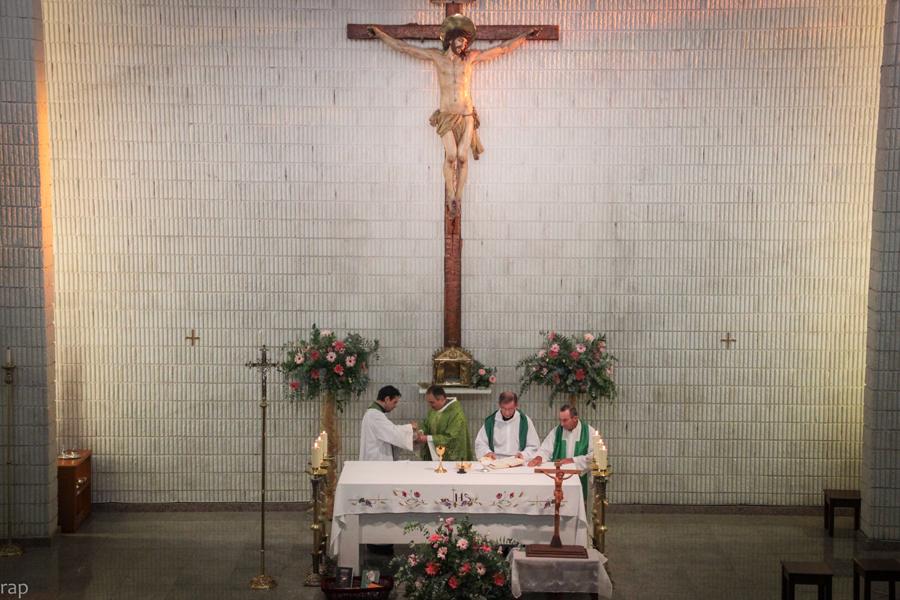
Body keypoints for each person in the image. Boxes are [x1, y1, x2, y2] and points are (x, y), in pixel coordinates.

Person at [369, 16, 539, 215]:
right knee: (451, 156)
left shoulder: (471, 58)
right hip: (447, 115)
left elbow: (501, 49)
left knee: (462, 157)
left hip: (466, 114)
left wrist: (524, 36)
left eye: (466, 42)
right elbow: (404, 48)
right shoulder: (436, 57)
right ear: (451, 40)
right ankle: (450, 195)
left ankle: (458, 197)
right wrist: (380, 34)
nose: (464, 45)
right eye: (461, 41)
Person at [528, 404, 599, 500]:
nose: (561, 424)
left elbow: (594, 456)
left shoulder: (589, 432)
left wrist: (573, 460)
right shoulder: (557, 431)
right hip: (559, 479)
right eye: (560, 420)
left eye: (565, 420)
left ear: (575, 418)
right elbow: (545, 450)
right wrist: (539, 457)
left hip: (582, 479)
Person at [474, 391, 539, 460]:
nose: (507, 413)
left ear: (516, 405)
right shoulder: (490, 422)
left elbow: (534, 446)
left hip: (517, 461)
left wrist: (523, 454)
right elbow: (480, 443)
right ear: (499, 405)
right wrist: (487, 452)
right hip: (495, 461)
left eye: (510, 409)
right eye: (504, 408)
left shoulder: (524, 421)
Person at [359, 385, 417, 460]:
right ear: (387, 399)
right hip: (375, 461)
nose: (395, 406)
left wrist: (411, 435)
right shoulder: (374, 415)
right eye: (394, 402)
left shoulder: (374, 413)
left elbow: (390, 433)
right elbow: (393, 433)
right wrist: (410, 427)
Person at [419, 385, 473, 461]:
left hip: (451, 460)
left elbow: (452, 438)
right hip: (433, 455)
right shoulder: (434, 409)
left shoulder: (456, 414)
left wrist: (428, 438)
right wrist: (421, 432)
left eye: (432, 402)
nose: (430, 406)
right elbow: (426, 424)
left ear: (441, 399)